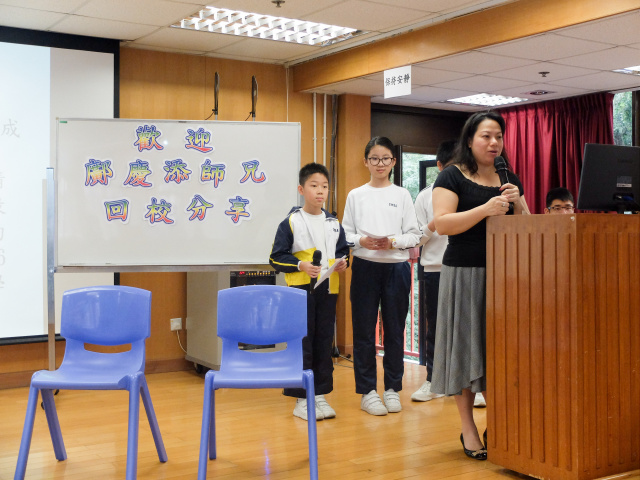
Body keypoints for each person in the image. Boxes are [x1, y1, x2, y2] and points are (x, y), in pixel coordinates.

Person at [430, 111, 530, 460]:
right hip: (465, 273)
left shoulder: (508, 177)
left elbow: (527, 226)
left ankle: (499, 423)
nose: (494, 143)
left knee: (500, 354)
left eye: (498, 136)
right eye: (486, 136)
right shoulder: (451, 175)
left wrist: (518, 201)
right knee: (466, 350)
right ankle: (468, 428)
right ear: (470, 140)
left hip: (504, 276)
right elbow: (442, 224)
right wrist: (486, 209)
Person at [342, 136, 421, 416]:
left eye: (385, 158)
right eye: (374, 158)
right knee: (363, 331)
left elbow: (414, 234)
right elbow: (345, 234)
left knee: (395, 331)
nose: (380, 164)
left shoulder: (402, 195)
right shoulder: (356, 195)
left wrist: (393, 242)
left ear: (393, 162)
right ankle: (367, 392)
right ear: (365, 162)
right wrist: (361, 240)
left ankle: (392, 389)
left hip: (396, 268)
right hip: (364, 266)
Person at [269, 162, 349, 421]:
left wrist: (344, 262)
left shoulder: (334, 222)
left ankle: (320, 394)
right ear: (301, 189)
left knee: (324, 342)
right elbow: (276, 257)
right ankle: (301, 399)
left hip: (328, 288)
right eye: (314, 186)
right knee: (302, 342)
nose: (320, 191)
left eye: (325, 186)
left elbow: (342, 251)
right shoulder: (291, 222)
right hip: (300, 291)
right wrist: (300, 265)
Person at [411, 139, 455, 402]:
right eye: (451, 166)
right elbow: (415, 239)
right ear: (439, 166)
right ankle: (433, 381)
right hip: (435, 268)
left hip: (466, 267)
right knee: (435, 328)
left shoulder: (470, 190)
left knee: (468, 327)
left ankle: (472, 386)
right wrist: (433, 225)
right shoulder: (425, 195)